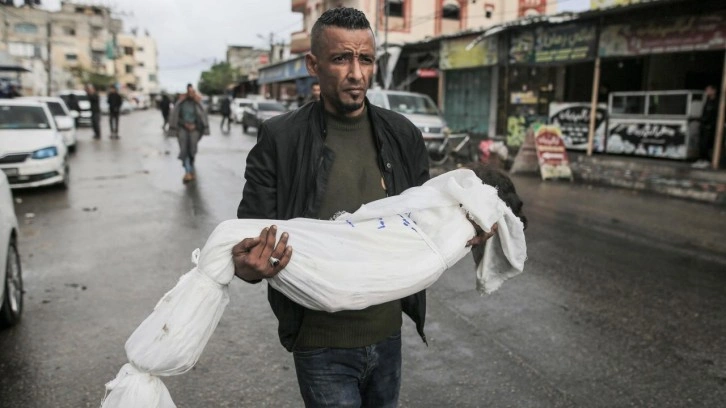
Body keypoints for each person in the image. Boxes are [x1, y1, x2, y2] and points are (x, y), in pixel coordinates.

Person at [231, 7, 495, 408]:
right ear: (313, 65)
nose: (356, 73)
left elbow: (424, 220)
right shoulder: (279, 138)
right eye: (341, 59)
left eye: (365, 59)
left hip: (387, 333)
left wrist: (466, 228)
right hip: (320, 344)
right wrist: (250, 267)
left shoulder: (402, 133)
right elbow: (247, 242)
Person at [168, 84, 209, 183]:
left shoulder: (197, 103)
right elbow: (176, 116)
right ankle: (187, 171)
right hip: (183, 129)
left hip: (195, 129)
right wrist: (184, 124)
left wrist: (195, 126)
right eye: (189, 91)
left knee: (192, 149)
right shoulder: (181, 103)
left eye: (192, 91)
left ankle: (190, 166)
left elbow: (202, 117)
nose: (191, 93)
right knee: (184, 149)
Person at [693, 85, 718, 168]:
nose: (707, 91)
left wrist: (710, 124)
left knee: (706, 143)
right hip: (704, 125)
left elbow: (715, 115)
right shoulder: (707, 101)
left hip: (710, 126)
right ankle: (701, 159)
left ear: (714, 91)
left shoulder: (716, 102)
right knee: (701, 143)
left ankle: (707, 160)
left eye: (709, 90)